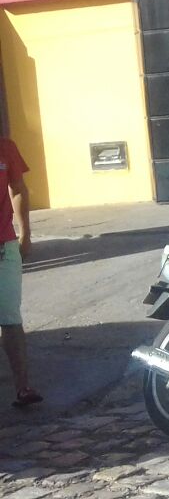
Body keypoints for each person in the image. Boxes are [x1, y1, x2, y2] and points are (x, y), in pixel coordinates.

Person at [1, 137, 40, 408]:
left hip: (4, 247)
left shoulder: (6, 147)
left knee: (10, 318)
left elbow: (17, 189)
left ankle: (23, 388)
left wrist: (25, 233)